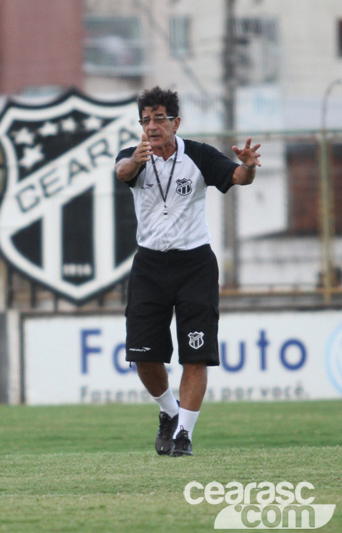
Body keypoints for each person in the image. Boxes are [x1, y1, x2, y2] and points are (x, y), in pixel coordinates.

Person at [114, 87, 261, 457]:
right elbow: (121, 172)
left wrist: (249, 165)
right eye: (145, 119)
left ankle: (184, 435)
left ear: (175, 122)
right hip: (149, 265)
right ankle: (168, 412)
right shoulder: (135, 158)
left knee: (195, 353)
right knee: (143, 353)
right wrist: (136, 160)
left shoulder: (198, 155)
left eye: (159, 118)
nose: (152, 126)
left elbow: (239, 178)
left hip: (194, 263)